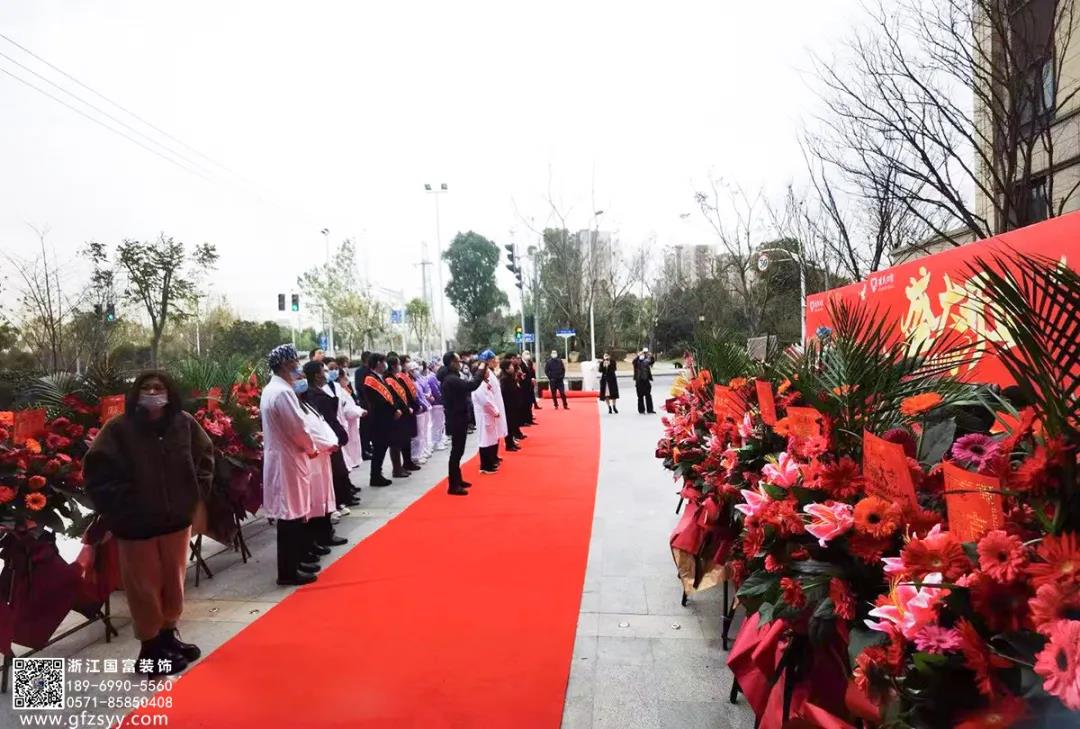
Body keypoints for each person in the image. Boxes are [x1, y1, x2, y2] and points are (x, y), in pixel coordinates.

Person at [84, 370, 214, 675]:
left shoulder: (184, 423)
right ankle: (150, 647)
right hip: (136, 527)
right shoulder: (118, 429)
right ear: (136, 393)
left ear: (169, 392)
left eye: (159, 387)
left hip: (176, 522)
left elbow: (205, 455)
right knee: (144, 588)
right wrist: (123, 507)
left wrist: (195, 493)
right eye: (146, 387)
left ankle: (168, 636)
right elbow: (96, 472)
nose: (153, 392)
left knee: (174, 583)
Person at [256, 345, 321, 586]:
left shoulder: (274, 389)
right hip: (288, 460)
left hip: (286, 458)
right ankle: (288, 571)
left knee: (295, 513)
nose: (297, 366)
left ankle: (297, 561)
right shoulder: (282, 392)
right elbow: (297, 428)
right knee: (290, 517)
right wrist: (311, 447)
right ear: (284, 365)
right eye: (294, 361)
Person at [296, 365, 347, 565]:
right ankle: (313, 540)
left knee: (324, 496)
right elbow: (306, 431)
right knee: (314, 500)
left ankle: (324, 535)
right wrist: (327, 443)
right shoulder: (302, 400)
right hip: (314, 455)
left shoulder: (306, 401)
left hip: (324, 452)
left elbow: (322, 422)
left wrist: (332, 441)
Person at [301, 361, 360, 512]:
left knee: (339, 470)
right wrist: (337, 435)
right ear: (316, 375)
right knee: (335, 472)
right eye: (325, 371)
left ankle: (342, 499)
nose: (327, 374)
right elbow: (326, 419)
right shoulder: (313, 394)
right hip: (327, 439)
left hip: (332, 435)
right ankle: (337, 503)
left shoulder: (321, 391)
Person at [440, 352, 485, 495]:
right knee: (456, 452)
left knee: (458, 451)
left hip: (459, 416)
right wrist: (480, 371)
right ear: (452, 363)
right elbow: (471, 385)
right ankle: (453, 485)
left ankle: (458, 479)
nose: (460, 364)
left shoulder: (453, 377)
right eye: (457, 361)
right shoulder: (451, 379)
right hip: (456, 418)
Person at [361, 352, 403, 486]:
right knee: (379, 449)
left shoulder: (380, 377)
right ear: (378, 363)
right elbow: (379, 401)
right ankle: (375, 476)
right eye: (383, 362)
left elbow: (390, 396)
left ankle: (378, 474)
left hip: (385, 419)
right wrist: (393, 410)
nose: (385, 365)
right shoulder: (370, 379)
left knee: (382, 448)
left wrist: (396, 408)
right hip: (378, 420)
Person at [386, 355, 421, 476]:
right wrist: (405, 409)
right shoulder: (388, 379)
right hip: (398, 414)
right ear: (393, 366)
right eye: (399, 364)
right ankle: (397, 468)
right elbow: (394, 398)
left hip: (405, 412)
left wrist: (411, 406)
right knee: (396, 443)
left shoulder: (397, 377)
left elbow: (405, 394)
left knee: (406, 439)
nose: (401, 366)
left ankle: (407, 462)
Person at [471, 351, 505, 473]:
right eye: (485, 372)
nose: (487, 373)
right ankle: (485, 466)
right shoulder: (479, 386)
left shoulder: (484, 383)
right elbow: (485, 402)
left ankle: (490, 462)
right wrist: (495, 411)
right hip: (484, 415)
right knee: (485, 441)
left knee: (490, 440)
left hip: (488, 416)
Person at [498, 358, 522, 452]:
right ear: (506, 368)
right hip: (509, 405)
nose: (512, 367)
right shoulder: (504, 379)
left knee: (513, 424)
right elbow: (505, 393)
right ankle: (509, 444)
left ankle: (511, 442)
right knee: (509, 424)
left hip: (513, 404)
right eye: (510, 366)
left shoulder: (510, 377)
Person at [353, 351, 373, 460]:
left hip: (371, 403)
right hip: (365, 402)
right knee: (364, 429)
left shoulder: (370, 370)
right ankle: (364, 450)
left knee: (370, 428)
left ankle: (368, 447)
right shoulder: (360, 371)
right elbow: (361, 387)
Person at [633, 347, 656, 414]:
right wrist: (638, 356)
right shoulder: (636, 361)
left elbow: (652, 361)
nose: (643, 354)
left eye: (644, 353)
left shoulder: (646, 360)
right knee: (640, 396)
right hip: (639, 380)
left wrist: (651, 356)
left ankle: (650, 409)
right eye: (643, 353)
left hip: (646, 380)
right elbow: (633, 362)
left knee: (648, 395)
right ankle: (641, 410)